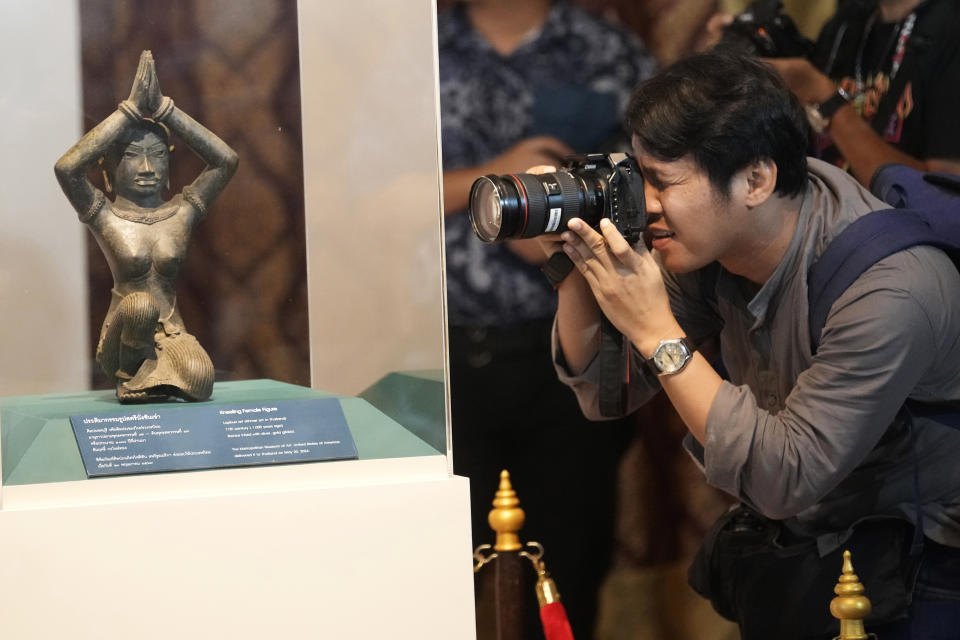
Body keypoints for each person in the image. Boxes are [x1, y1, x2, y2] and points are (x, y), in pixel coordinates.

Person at [544, 48, 960, 638]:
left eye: (663, 181)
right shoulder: (708, 244)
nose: (645, 205)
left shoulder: (890, 288)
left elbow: (784, 477)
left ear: (757, 180)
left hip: (921, 575)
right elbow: (606, 393)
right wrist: (572, 264)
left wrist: (656, 329)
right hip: (810, 556)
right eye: (639, 178)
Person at [437, 0, 656, 636]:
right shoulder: (414, 57)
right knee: (440, 574)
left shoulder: (605, 51)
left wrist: (550, 223)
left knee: (565, 569)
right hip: (440, 355)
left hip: (572, 352)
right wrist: (495, 188)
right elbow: (366, 193)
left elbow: (649, 190)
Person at [55, 51, 238, 402]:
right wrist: (130, 111)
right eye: (130, 156)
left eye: (157, 156)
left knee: (201, 380)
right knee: (141, 305)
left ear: (169, 165)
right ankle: (131, 376)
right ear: (107, 169)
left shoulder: (181, 213)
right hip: (122, 338)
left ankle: (153, 381)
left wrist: (165, 109)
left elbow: (225, 161)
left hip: (171, 336)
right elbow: (67, 169)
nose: (146, 167)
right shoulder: (104, 215)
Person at [761, 0, 960, 186]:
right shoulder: (844, 26)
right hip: (825, 215)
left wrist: (828, 102)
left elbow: (944, 196)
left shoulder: (949, 28)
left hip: (895, 222)